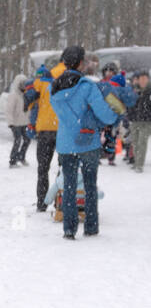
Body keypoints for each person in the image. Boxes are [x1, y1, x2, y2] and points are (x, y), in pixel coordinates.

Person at [49, 45, 120, 239]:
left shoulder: (54, 87)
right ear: (80, 62)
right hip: (88, 142)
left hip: (65, 143)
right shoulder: (87, 86)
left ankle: (69, 229)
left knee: (69, 186)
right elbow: (104, 114)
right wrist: (113, 116)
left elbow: (63, 115)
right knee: (90, 185)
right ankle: (90, 226)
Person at [29, 55, 67, 210]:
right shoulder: (72, 79)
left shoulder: (43, 81)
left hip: (45, 129)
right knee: (63, 168)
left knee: (43, 168)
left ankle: (42, 202)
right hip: (64, 129)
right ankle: (60, 200)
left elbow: (30, 99)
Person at [3, 74, 32, 165]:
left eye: (25, 84)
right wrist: (10, 122)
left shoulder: (26, 95)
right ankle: (13, 160)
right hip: (15, 123)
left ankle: (21, 157)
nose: (23, 86)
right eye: (22, 84)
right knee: (17, 141)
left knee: (27, 139)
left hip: (25, 122)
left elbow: (28, 109)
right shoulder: (13, 95)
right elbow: (9, 110)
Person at [131, 70, 151, 173]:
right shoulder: (135, 90)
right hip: (135, 120)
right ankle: (136, 162)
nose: (143, 81)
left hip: (147, 121)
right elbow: (130, 104)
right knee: (135, 142)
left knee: (142, 142)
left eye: (145, 78)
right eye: (141, 78)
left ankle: (139, 165)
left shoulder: (149, 91)